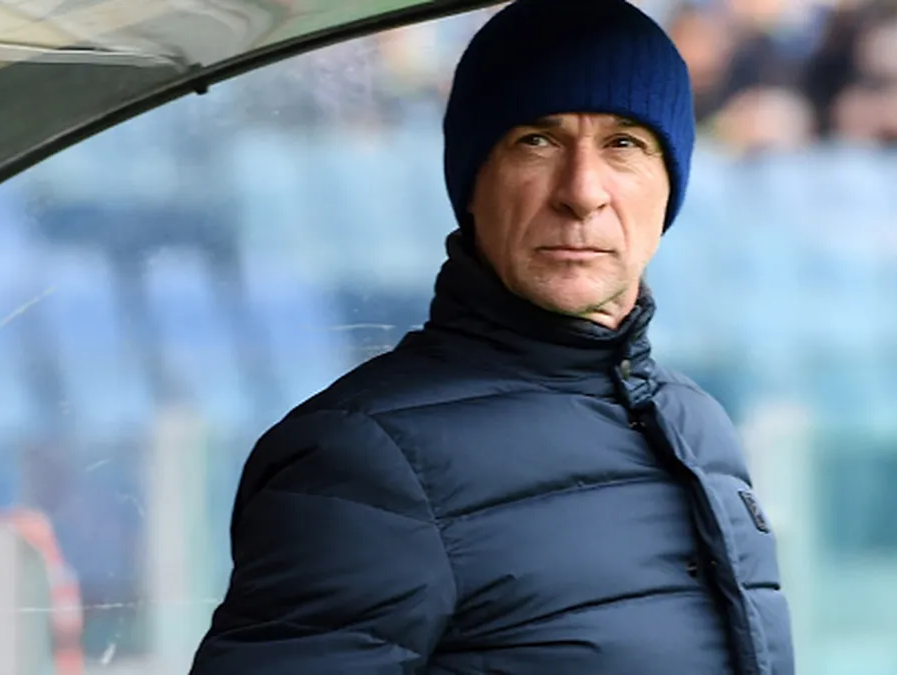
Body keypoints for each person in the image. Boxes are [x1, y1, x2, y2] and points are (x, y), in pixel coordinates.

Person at [189, 0, 796, 672]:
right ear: (472, 185)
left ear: (669, 187)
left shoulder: (698, 425)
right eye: (536, 140)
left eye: (624, 144)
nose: (582, 192)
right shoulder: (360, 460)